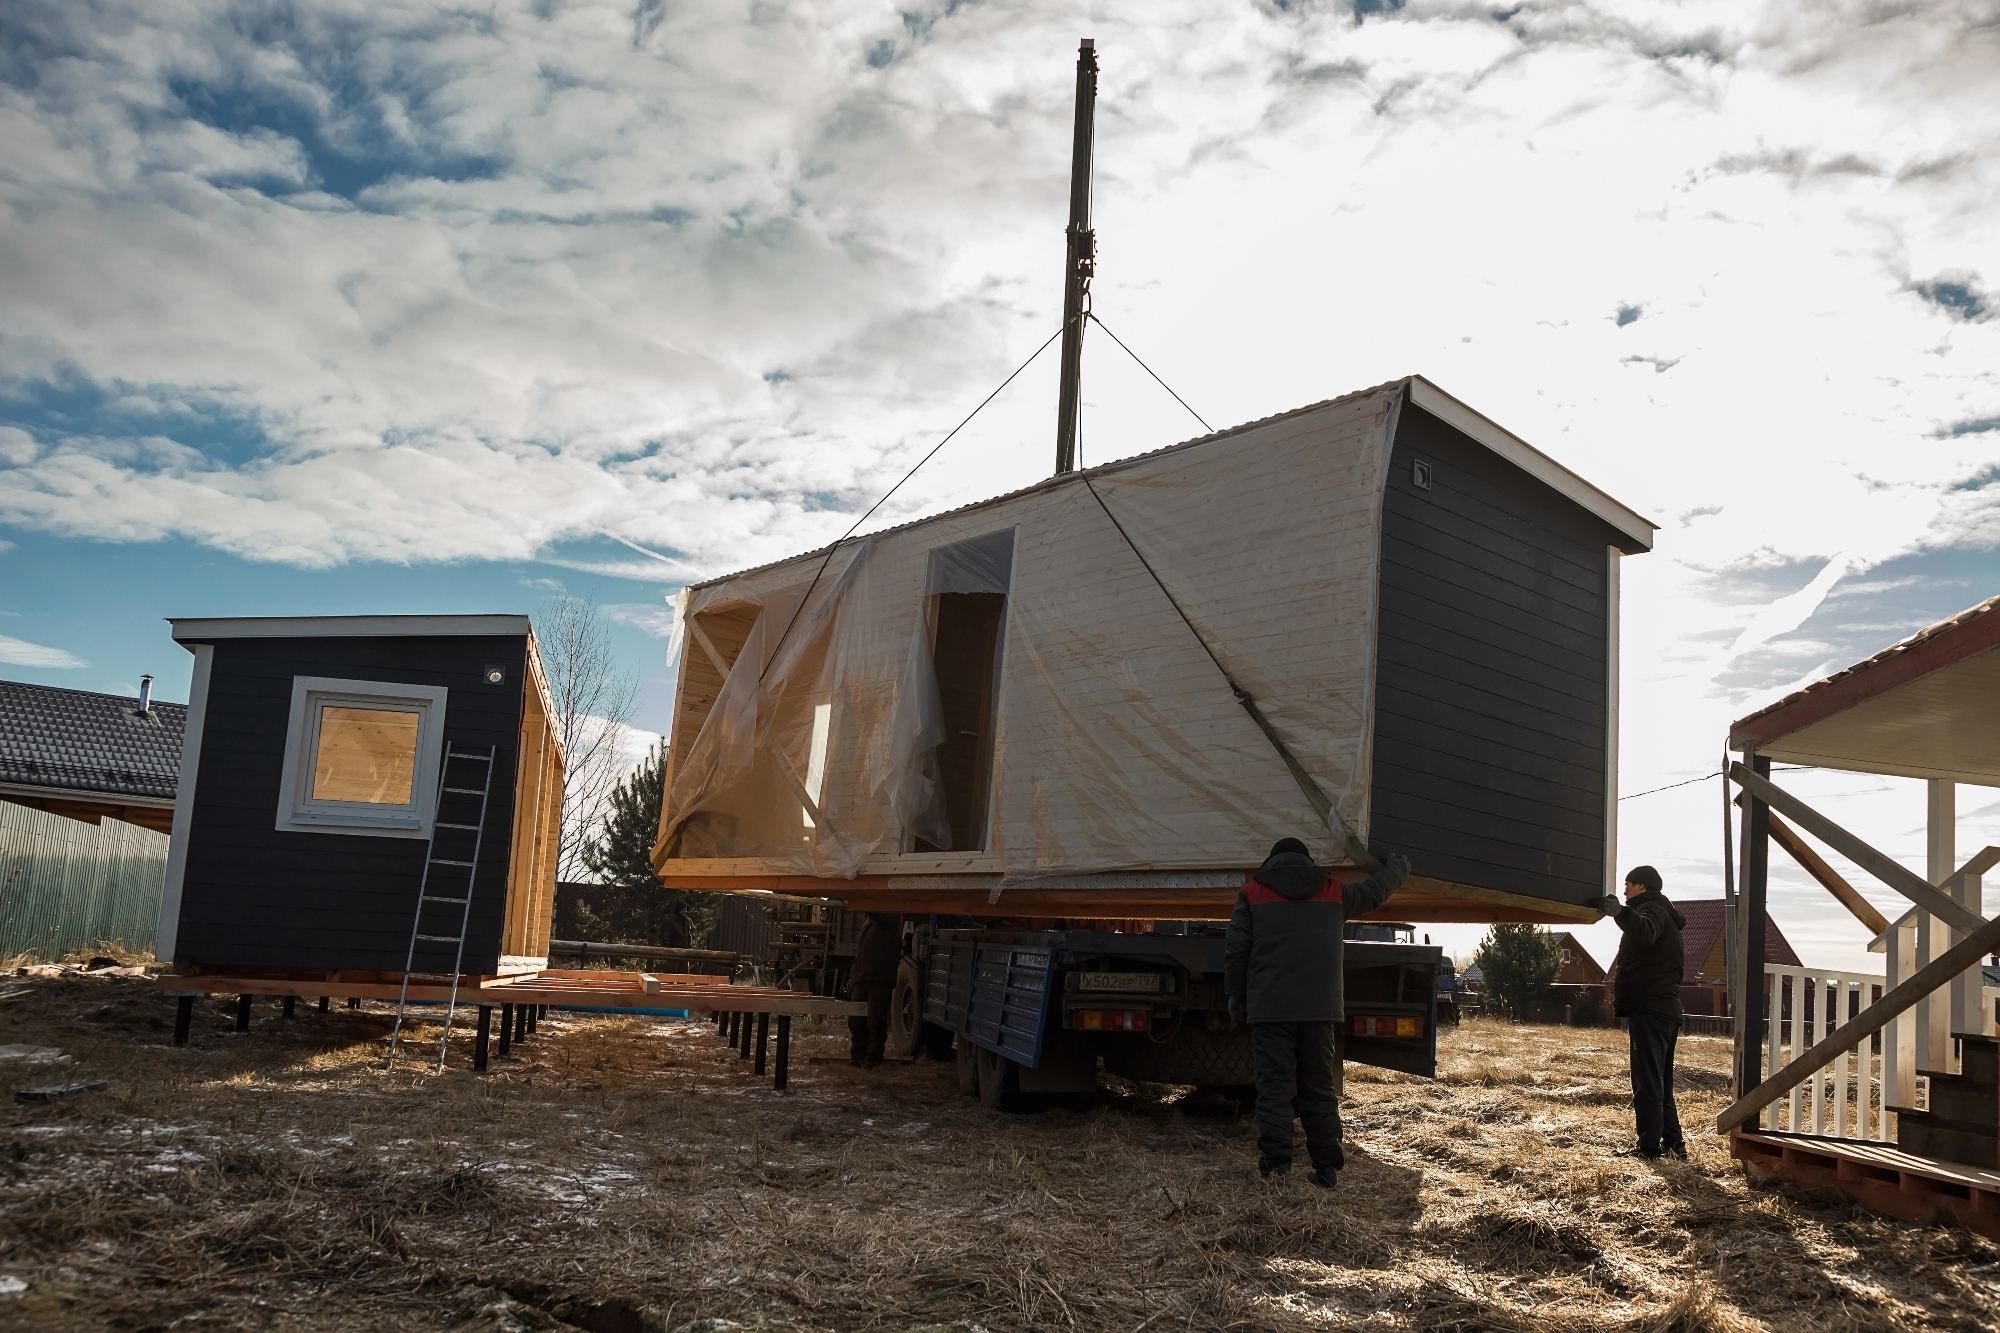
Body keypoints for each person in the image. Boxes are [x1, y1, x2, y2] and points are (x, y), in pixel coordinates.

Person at [1225, 837, 1410, 1187]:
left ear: (1270, 864)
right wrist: (1396, 870)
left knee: (1274, 1089)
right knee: (1318, 1087)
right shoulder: (1333, 891)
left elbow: (1237, 950)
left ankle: (1276, 1168)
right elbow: (1373, 893)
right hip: (1319, 1010)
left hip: (1271, 1008)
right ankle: (1327, 1168)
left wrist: (1235, 995)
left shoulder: (1253, 894)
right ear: (1308, 863)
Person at [1594, 865, 1688, 1160]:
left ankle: (1649, 1148)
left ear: (1642, 887)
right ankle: (1674, 1145)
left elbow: (1644, 931)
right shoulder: (1663, 912)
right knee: (1660, 1081)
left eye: (1628, 885)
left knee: (1647, 1081)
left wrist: (1619, 912)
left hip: (1650, 1008)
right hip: (1664, 1008)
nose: (1624, 891)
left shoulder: (1654, 910)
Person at [847, 912, 903, 1069]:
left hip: (880, 978)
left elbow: (881, 914)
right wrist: (854, 977)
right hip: (862, 977)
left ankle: (873, 1060)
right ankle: (857, 1057)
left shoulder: (892, 918)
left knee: (875, 1021)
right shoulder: (870, 923)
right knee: (855, 1020)